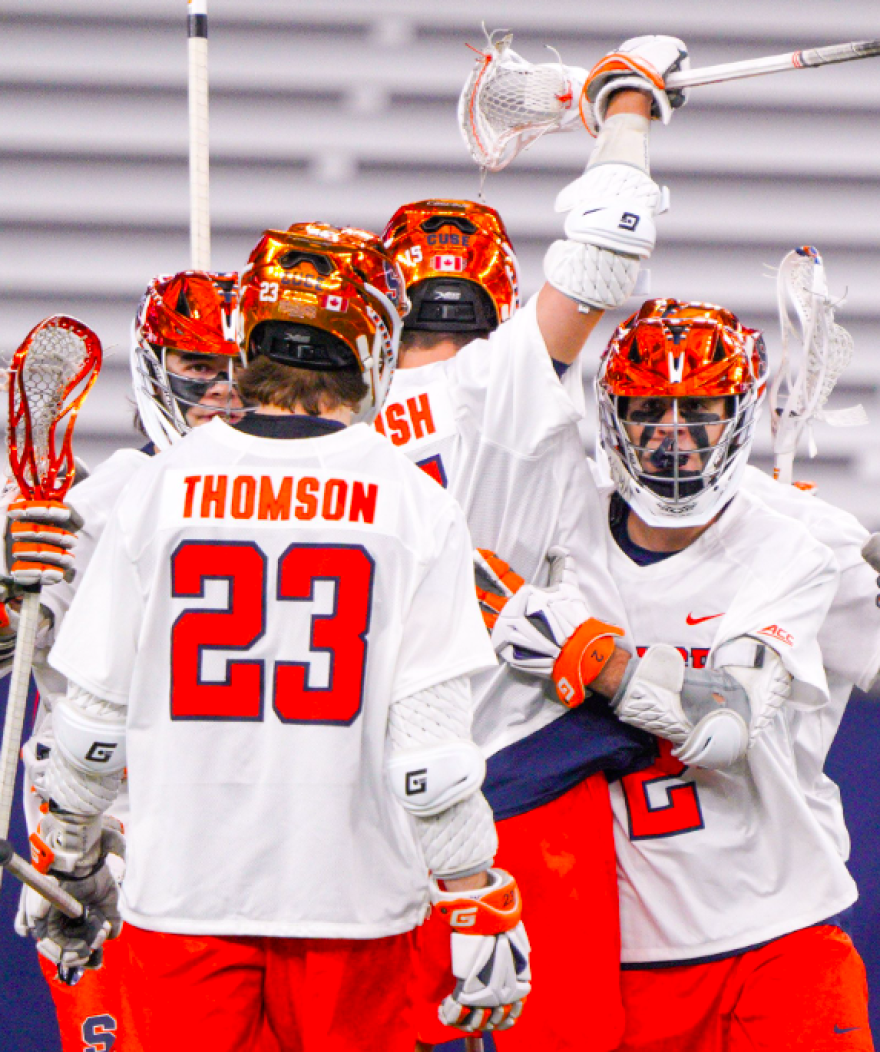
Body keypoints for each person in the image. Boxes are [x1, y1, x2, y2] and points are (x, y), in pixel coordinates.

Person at [31, 225, 531, 1052]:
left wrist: (68, 861)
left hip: (184, 894)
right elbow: (429, 756)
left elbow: (88, 734)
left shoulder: (157, 487)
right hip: (355, 901)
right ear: (371, 334)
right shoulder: (411, 501)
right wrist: (474, 890)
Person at [376, 35, 692, 1052]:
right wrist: (623, 109)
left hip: (366, 796)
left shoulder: (323, 429)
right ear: (495, 287)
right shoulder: (496, 379)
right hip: (519, 776)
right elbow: (607, 246)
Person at [491, 297, 874, 1050]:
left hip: (779, 926)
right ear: (610, 414)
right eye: (648, 409)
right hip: (617, 956)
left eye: (698, 409)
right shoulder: (553, 533)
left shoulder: (797, 540)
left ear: (741, 412)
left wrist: (591, 660)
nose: (671, 438)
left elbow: (721, 723)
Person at [4, 269, 248, 1052]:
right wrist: (10, 588)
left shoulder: (308, 504)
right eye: (200, 366)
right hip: (104, 848)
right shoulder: (98, 505)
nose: (222, 389)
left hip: (247, 842)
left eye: (241, 366)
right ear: (153, 367)